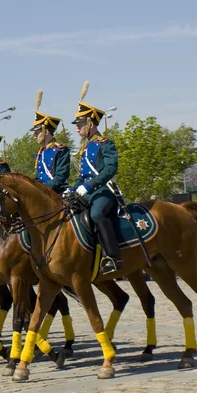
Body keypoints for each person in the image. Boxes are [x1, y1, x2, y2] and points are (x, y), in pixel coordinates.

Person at [70, 82, 121, 274]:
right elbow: (82, 175)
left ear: (91, 123)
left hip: (103, 191)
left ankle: (113, 257)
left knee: (96, 214)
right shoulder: (85, 148)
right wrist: (73, 188)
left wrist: (89, 186)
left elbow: (110, 169)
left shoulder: (105, 144)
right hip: (87, 191)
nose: (77, 129)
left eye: (80, 124)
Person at [30, 91, 70, 193]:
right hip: (43, 193)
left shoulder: (60, 151)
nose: (35, 137)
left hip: (58, 192)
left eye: (37, 133)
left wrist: (43, 189)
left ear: (46, 131)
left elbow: (61, 176)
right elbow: (38, 178)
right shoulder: (41, 153)